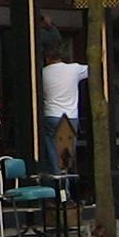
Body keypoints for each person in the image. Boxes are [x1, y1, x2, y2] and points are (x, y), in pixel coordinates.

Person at [41, 46, 91, 174]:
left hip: (51, 115)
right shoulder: (74, 69)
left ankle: (56, 184)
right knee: (66, 154)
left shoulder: (42, 72)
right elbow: (94, 69)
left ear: (47, 59)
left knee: (52, 151)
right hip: (70, 117)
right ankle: (65, 187)